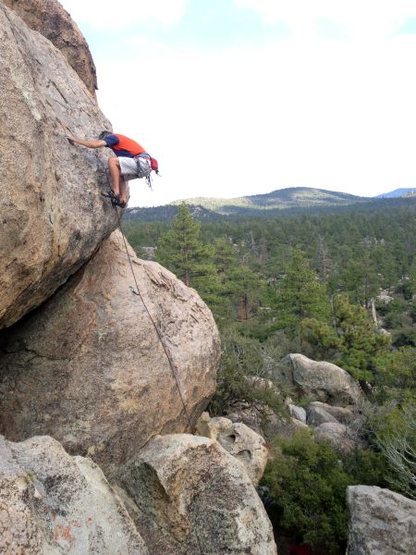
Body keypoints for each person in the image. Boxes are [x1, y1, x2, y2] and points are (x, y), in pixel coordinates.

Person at [67, 131, 148, 208]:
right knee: (121, 174)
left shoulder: (113, 137)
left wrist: (75, 139)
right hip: (145, 166)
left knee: (112, 161)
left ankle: (115, 192)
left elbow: (94, 145)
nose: (107, 146)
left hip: (142, 162)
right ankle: (123, 200)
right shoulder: (120, 144)